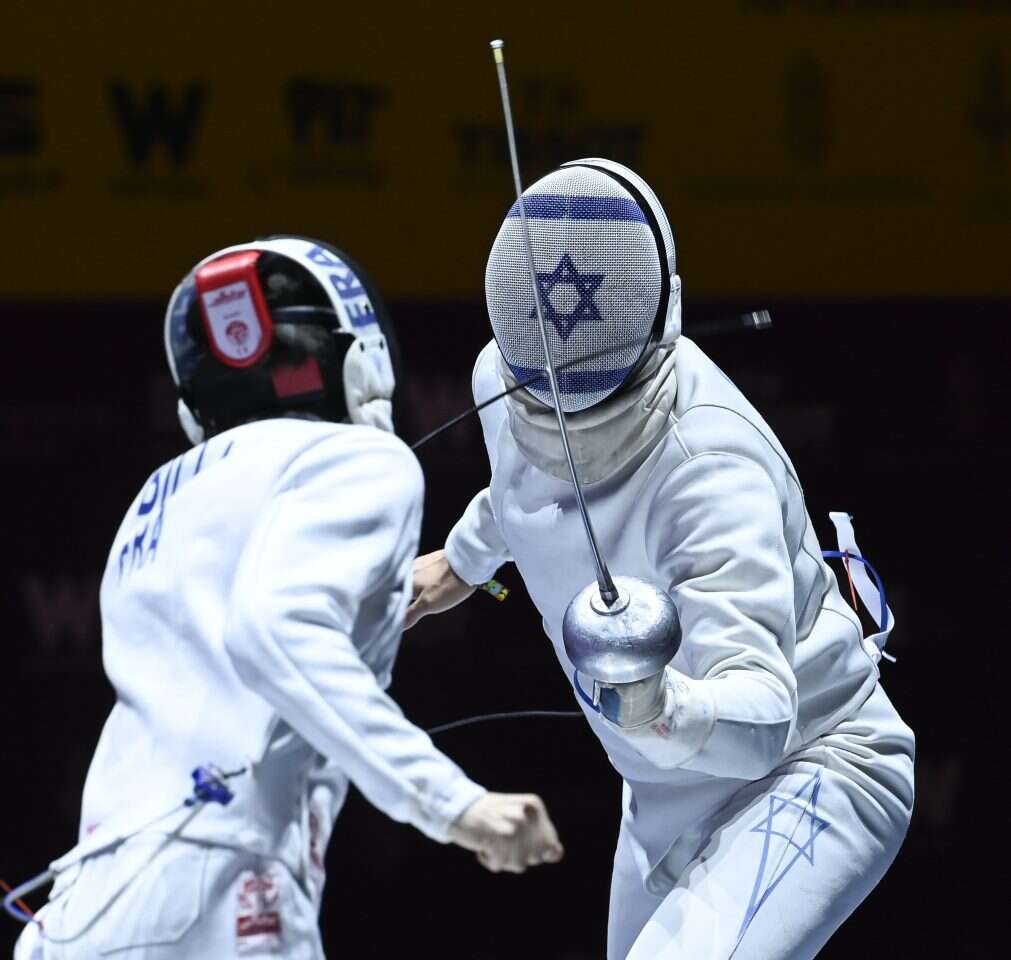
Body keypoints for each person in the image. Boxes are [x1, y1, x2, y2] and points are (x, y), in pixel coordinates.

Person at [406, 160, 915, 959]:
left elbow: (759, 720)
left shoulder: (711, 468)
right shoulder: (505, 380)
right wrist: (462, 563)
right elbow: (536, 478)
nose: (554, 412)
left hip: (811, 766)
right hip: (660, 789)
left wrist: (653, 703)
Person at [14, 236, 562, 960]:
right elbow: (275, 629)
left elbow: (242, 635)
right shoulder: (364, 459)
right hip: (218, 901)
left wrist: (384, 602)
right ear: (358, 361)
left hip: (74, 916)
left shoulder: (154, 499)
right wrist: (456, 804)